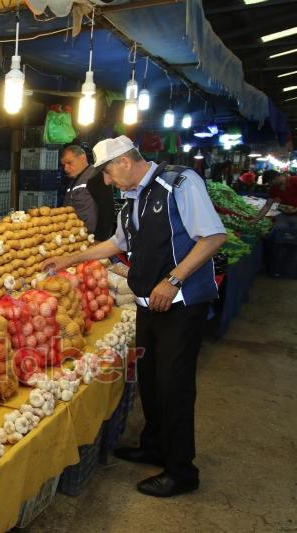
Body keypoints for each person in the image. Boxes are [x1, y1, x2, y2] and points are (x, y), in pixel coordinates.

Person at [42, 135, 227, 498]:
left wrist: (174, 280)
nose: (107, 181)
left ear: (125, 162)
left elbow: (212, 237)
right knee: (152, 378)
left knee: (174, 385)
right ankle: (154, 446)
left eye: (108, 172)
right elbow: (117, 243)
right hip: (148, 303)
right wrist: (69, 259)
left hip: (181, 303)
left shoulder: (179, 183)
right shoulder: (130, 201)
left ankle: (182, 470)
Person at [59, 144, 115, 241]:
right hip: (75, 239)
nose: (66, 168)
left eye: (69, 163)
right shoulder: (74, 180)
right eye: (64, 165)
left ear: (82, 158)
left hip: (91, 239)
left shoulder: (96, 177)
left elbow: (107, 211)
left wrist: (99, 240)